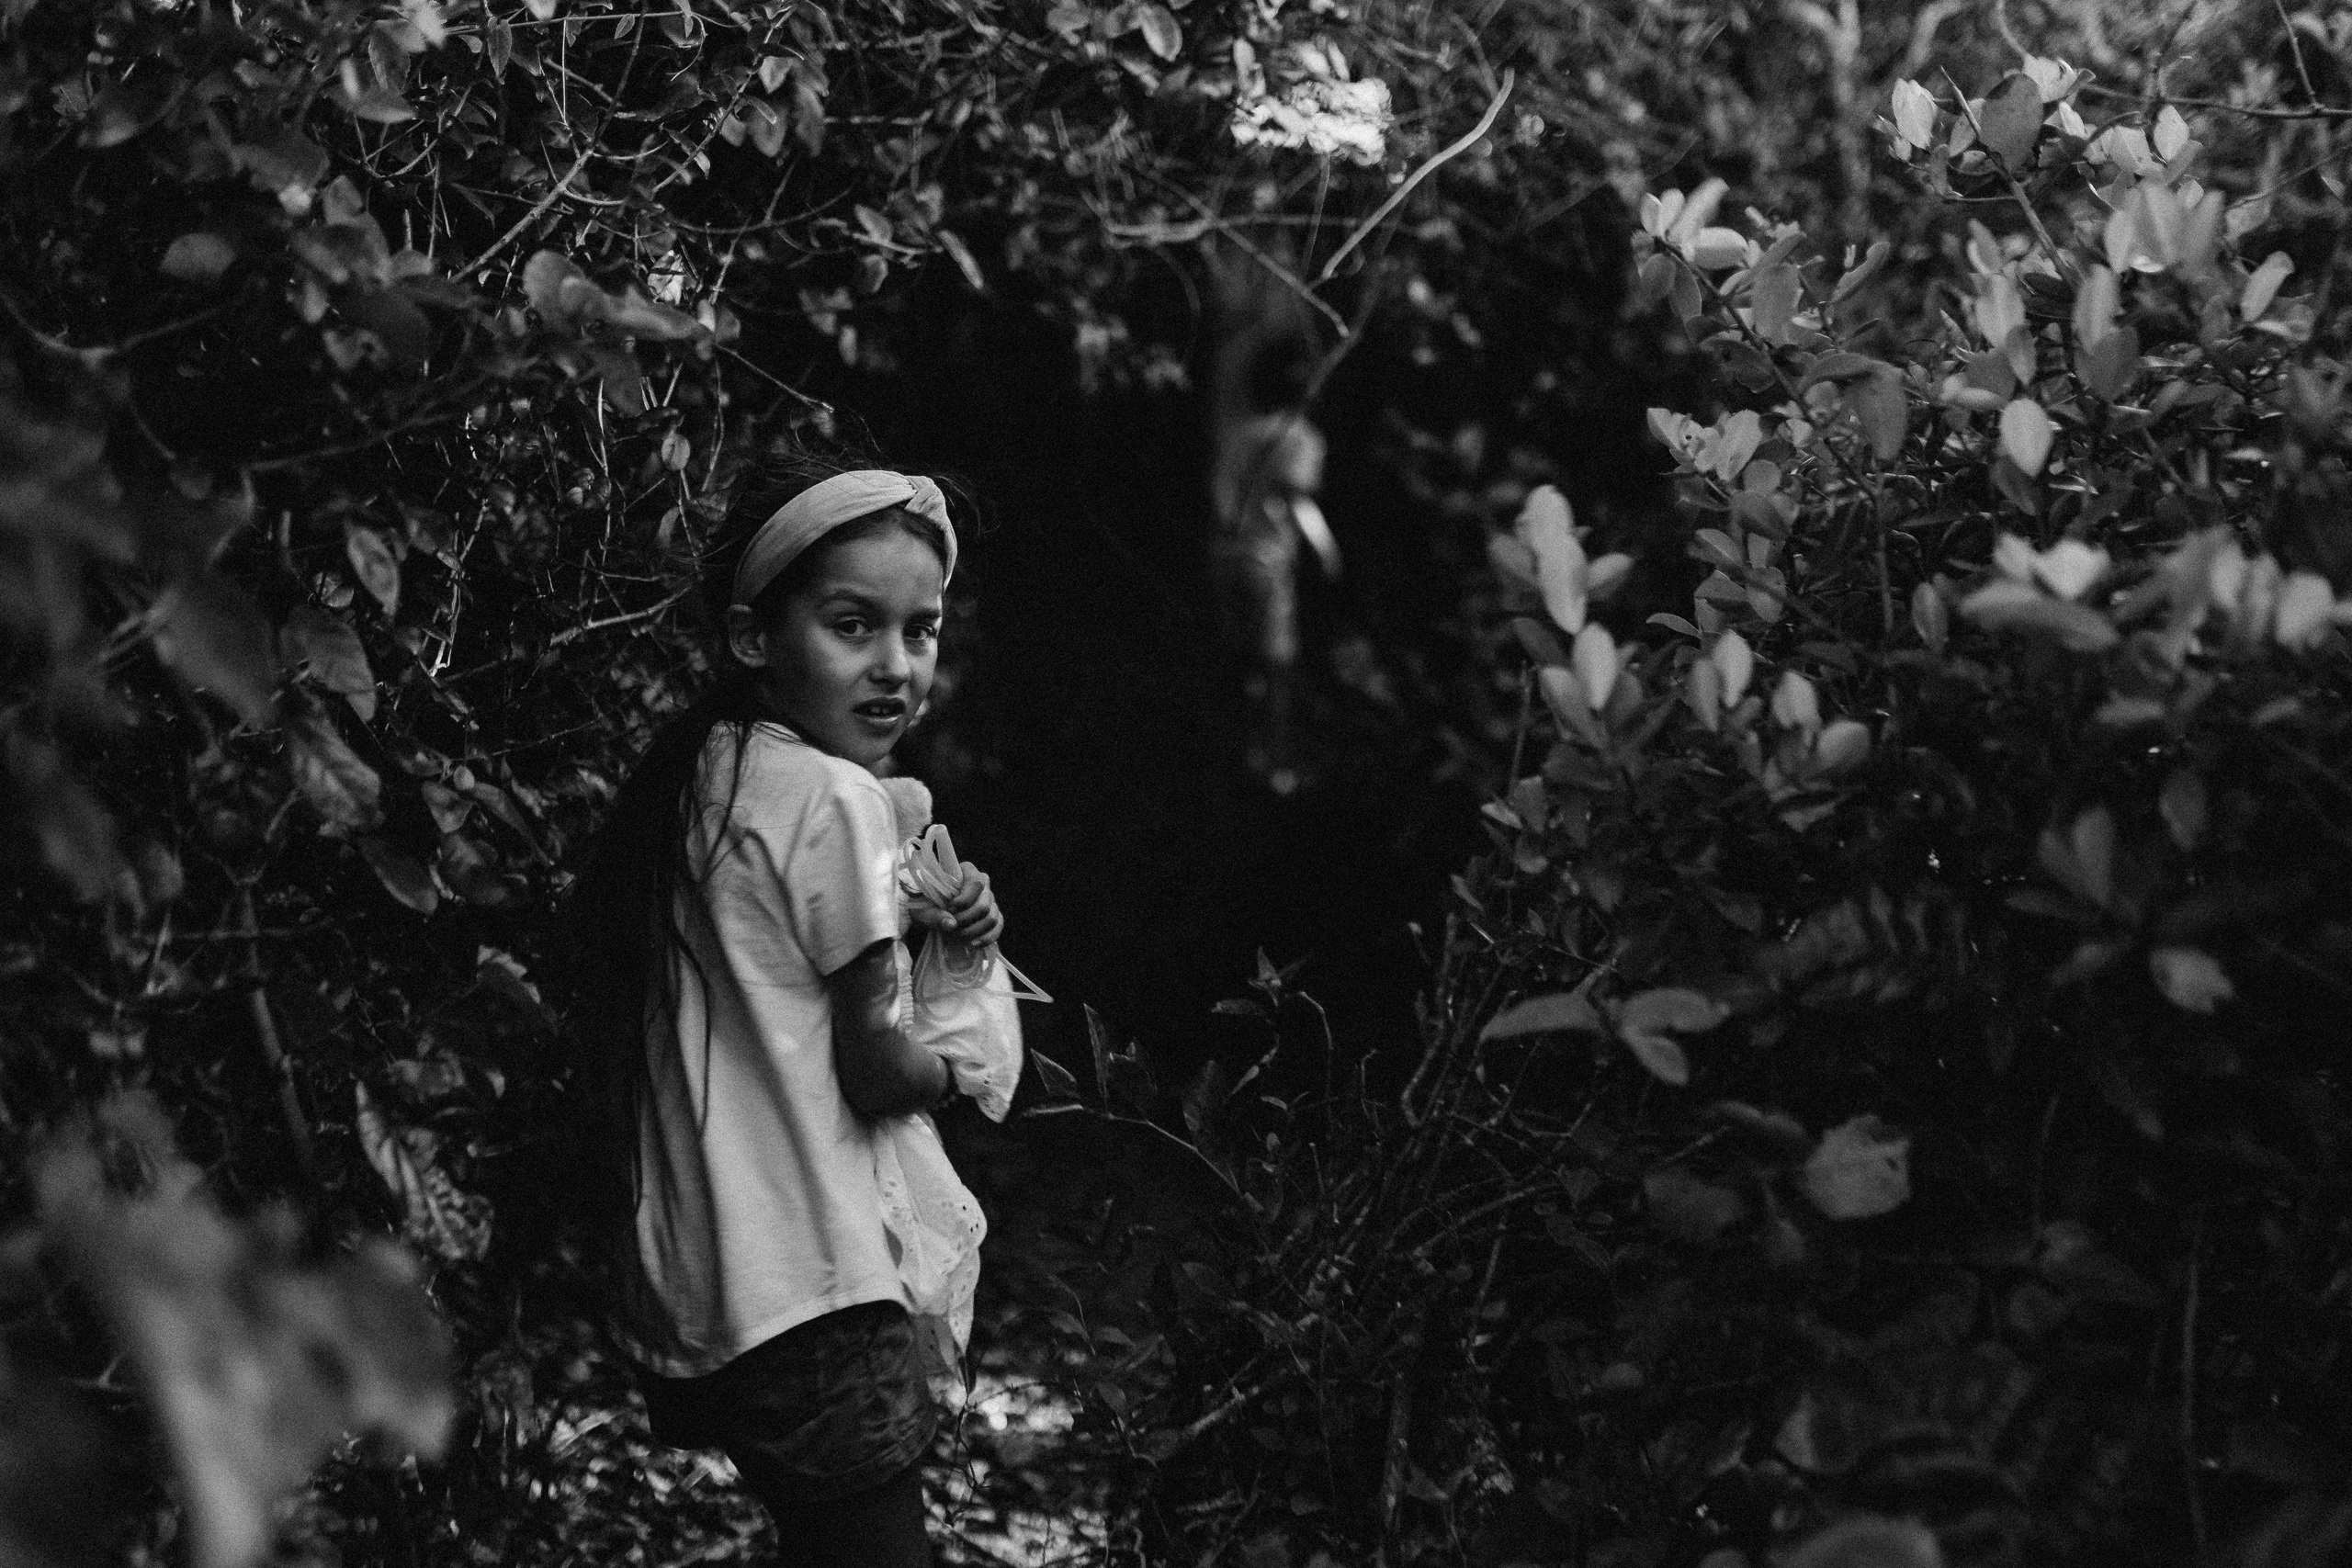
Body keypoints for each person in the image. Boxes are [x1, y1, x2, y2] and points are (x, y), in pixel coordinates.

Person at [568, 460, 1003, 1568]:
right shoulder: (832, 797)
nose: (896, 668)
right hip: (817, 1283)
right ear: (754, 635)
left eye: (921, 631)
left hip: (713, 1284)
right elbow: (875, 1072)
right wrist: (961, 1047)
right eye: (853, 625)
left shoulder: (705, 773)